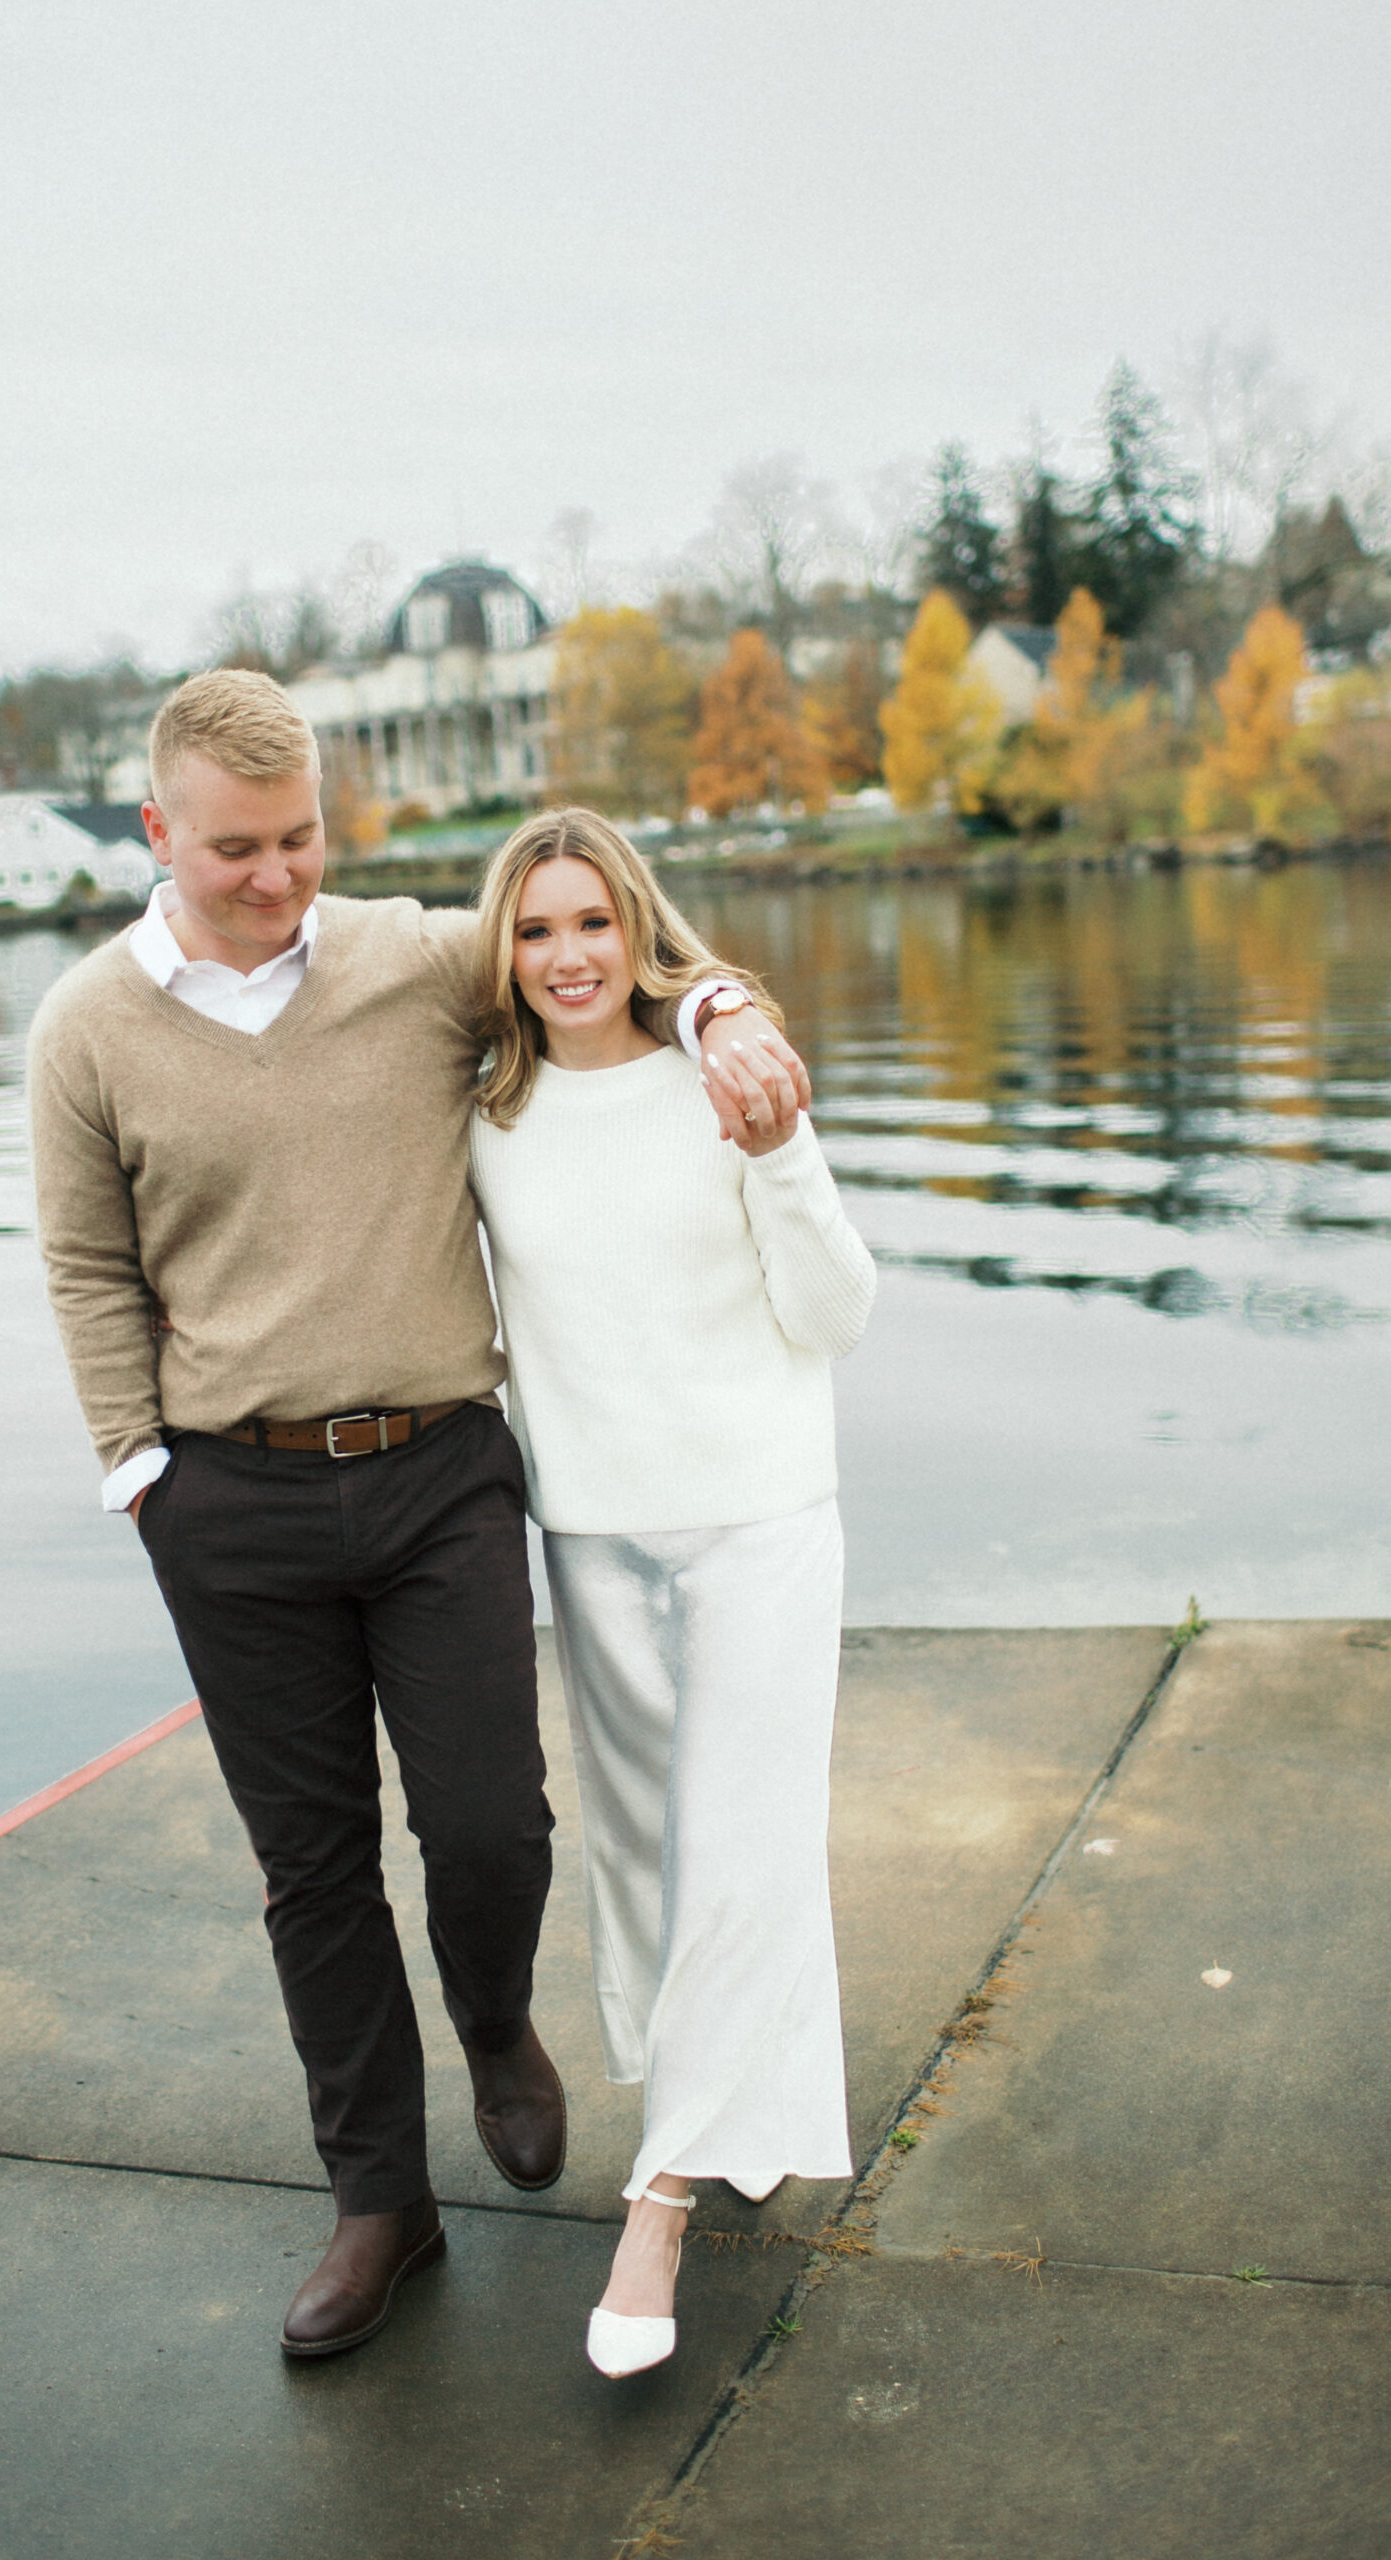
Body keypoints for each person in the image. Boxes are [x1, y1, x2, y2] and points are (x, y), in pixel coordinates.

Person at [25, 671, 810, 2360]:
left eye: (301, 837)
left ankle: (497, 2024)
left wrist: (721, 1007)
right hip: (228, 1500)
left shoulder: (406, 959)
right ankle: (380, 2206)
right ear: (157, 831)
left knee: (489, 1826)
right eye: (236, 847)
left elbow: (589, 955)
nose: (276, 876)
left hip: (440, 1470)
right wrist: (139, 1470)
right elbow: (88, 1267)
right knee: (311, 1870)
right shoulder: (86, 1027)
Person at [466, 807, 877, 2380]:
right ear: (501, 951)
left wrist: (770, 1139)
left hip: (759, 1516)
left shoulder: (730, 1071)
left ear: (638, 928)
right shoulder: (483, 1113)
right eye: (533, 929)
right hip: (593, 1532)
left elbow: (834, 1314)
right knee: (643, 1854)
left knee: (743, 1847)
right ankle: (741, 2104)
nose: (566, 957)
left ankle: (657, 2201)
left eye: (590, 923)